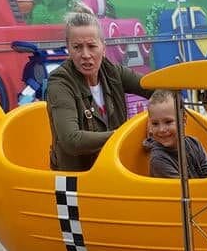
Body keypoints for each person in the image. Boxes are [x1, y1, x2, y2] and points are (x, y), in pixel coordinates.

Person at [47, 10, 147, 172]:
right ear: (68, 49)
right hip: (76, 178)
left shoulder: (113, 72)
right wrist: (123, 135)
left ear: (103, 47)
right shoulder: (59, 82)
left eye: (92, 46)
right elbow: (71, 140)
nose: (86, 55)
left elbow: (156, 87)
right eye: (77, 47)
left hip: (115, 169)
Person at [143, 89, 207, 180]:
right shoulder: (158, 160)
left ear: (183, 120)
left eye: (168, 122)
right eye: (155, 124)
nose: (161, 129)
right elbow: (179, 188)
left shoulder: (194, 143)